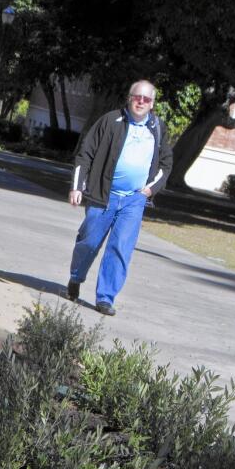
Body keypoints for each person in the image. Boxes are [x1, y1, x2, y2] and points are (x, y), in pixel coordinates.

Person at [65, 80, 173, 316]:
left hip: (134, 200)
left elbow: (166, 164)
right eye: (137, 97)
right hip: (103, 195)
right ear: (129, 97)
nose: (141, 102)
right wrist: (77, 186)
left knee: (120, 248)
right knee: (89, 243)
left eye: (146, 99)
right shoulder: (110, 121)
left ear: (152, 103)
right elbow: (85, 154)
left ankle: (105, 298)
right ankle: (76, 277)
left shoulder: (157, 127)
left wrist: (150, 189)